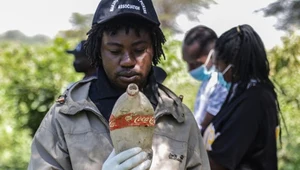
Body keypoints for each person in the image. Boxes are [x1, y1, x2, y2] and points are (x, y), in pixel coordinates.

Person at [28, 0, 210, 170]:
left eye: (139, 50)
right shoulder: (65, 116)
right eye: (115, 51)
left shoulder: (180, 119)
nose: (128, 61)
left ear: (154, 49)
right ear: (98, 50)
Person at [203, 24, 280, 170]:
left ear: (234, 64)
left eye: (219, 64)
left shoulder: (254, 102)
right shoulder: (242, 92)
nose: (218, 69)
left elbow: (221, 162)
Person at [182, 25, 228, 133]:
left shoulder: (222, 80)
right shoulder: (209, 78)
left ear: (212, 55)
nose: (190, 70)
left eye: (195, 64)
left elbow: (210, 115)